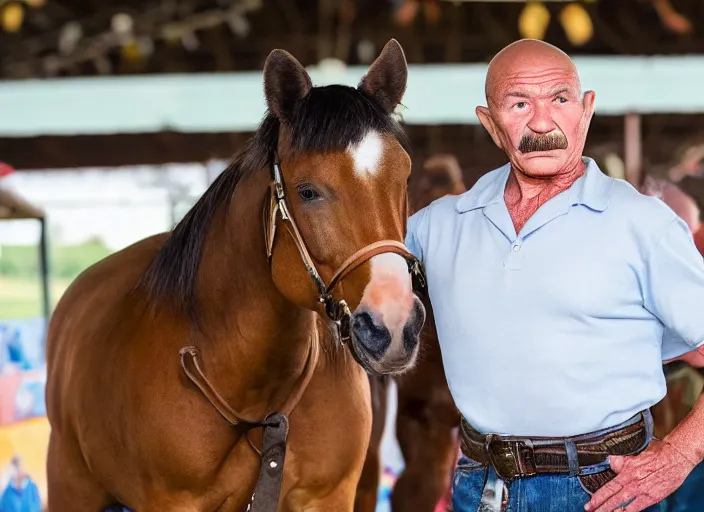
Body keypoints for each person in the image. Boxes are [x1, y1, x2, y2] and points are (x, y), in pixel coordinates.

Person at [405, 39, 704, 512]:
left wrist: (681, 454)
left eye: (559, 99)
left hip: (601, 490)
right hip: (481, 488)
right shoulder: (436, 226)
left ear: (586, 110)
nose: (542, 123)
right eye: (520, 103)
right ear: (490, 123)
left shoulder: (643, 224)